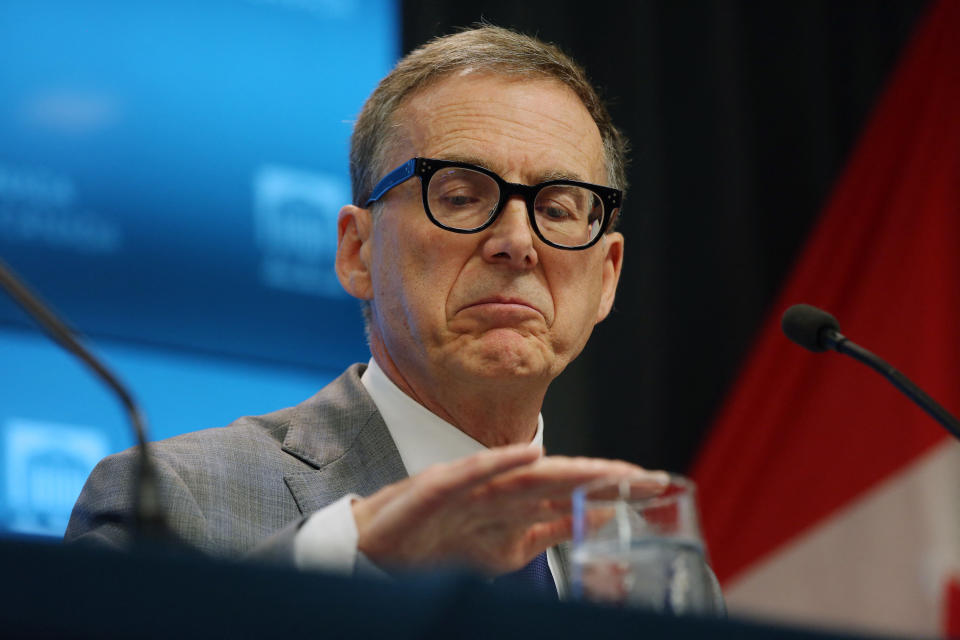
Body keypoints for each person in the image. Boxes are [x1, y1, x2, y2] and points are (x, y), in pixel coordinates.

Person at [66, 25, 699, 600]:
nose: (517, 242)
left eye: (558, 208)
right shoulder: (179, 502)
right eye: (458, 195)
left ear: (607, 274)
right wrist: (346, 557)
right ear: (357, 251)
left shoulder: (653, 563)